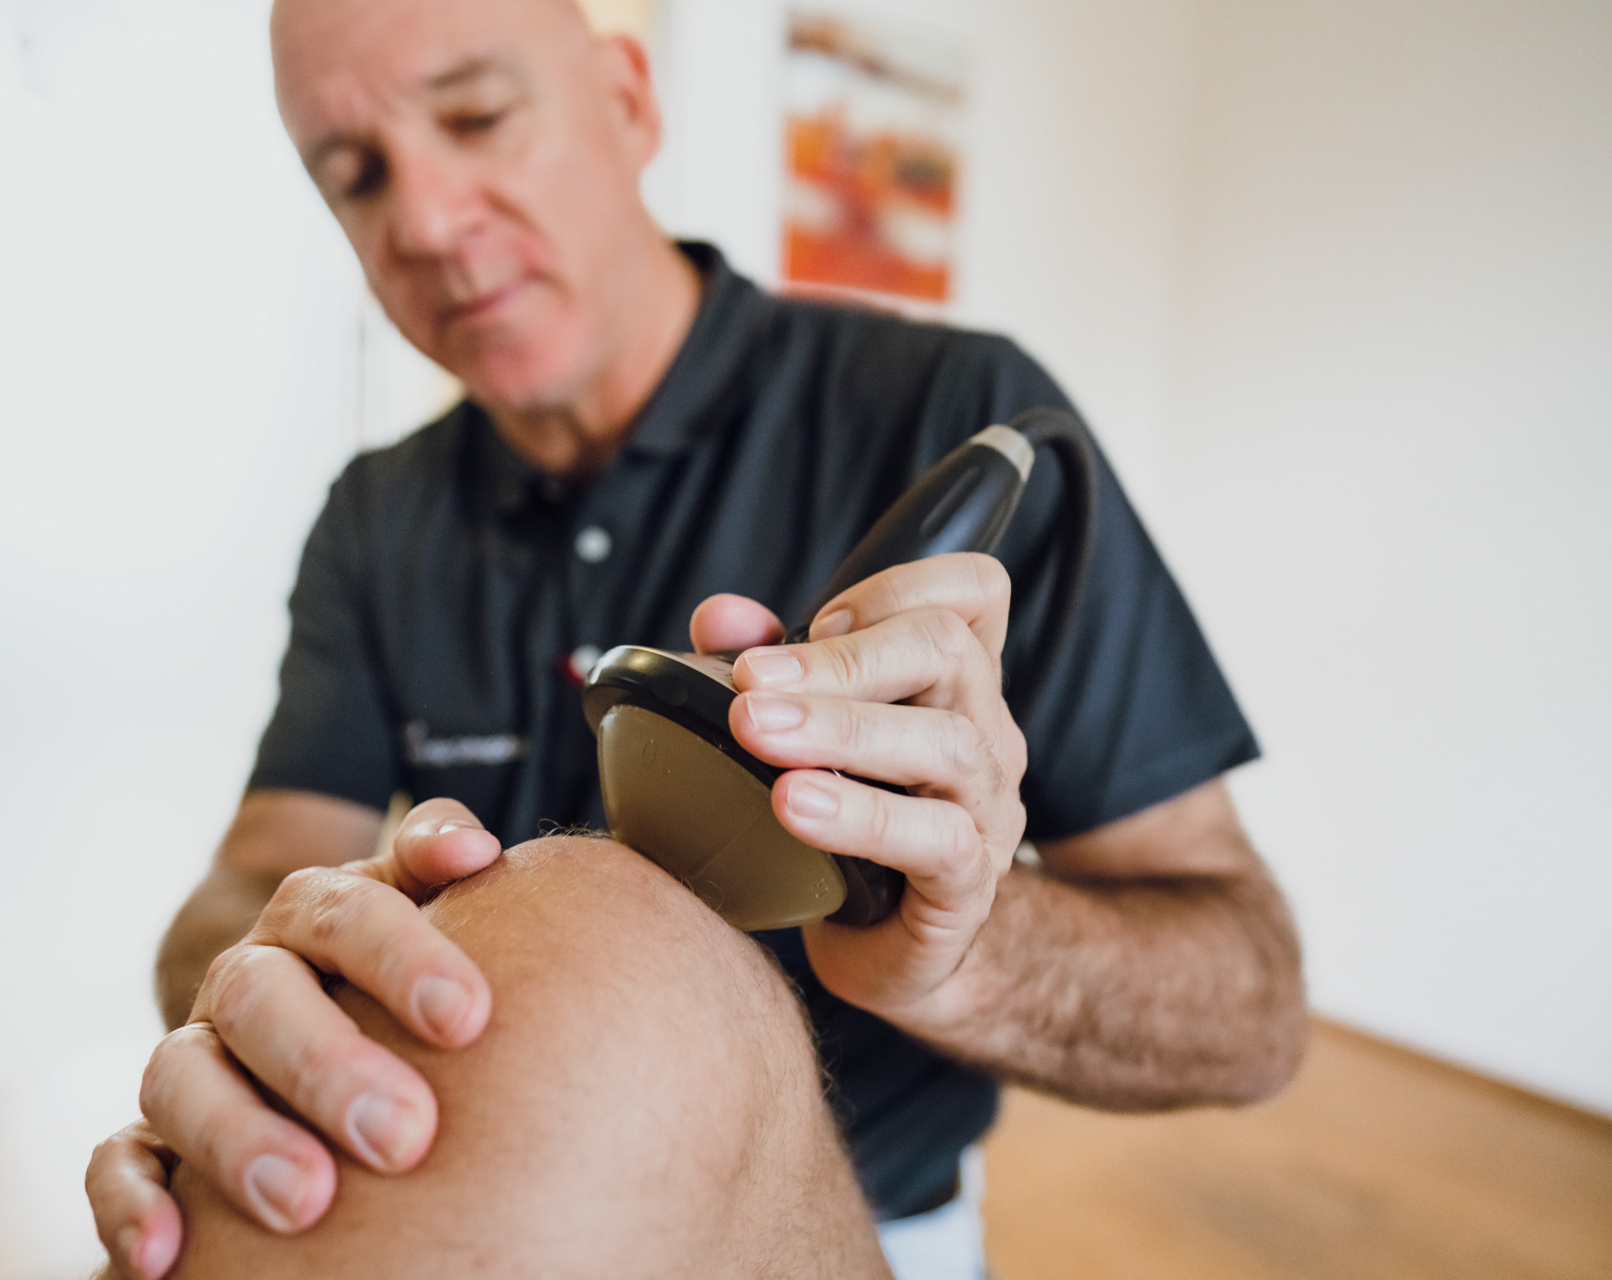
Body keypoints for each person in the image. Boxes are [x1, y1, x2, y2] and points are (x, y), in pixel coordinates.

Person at [84, 0, 1308, 1274]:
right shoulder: (374, 518)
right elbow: (252, 875)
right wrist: (282, 992)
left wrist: (956, 945)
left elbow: (1251, 1001)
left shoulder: (953, 412)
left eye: (478, 116)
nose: (428, 223)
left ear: (626, 99)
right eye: (357, 175)